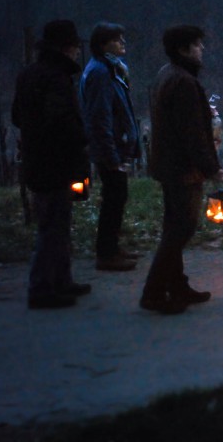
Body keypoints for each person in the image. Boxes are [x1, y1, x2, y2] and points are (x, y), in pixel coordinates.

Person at [141, 25, 223, 314]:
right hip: (182, 168)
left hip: (169, 164)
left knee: (174, 225)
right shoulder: (183, 82)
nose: (201, 49)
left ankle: (177, 284)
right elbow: (192, 132)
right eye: (196, 45)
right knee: (181, 228)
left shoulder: (167, 75)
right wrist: (210, 167)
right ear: (183, 49)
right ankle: (154, 292)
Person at [12, 20, 91, 309]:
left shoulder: (28, 75)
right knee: (53, 225)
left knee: (56, 223)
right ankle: (43, 288)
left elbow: (17, 117)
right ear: (67, 48)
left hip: (38, 160)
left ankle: (60, 280)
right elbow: (60, 122)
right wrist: (81, 137)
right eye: (74, 47)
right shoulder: (57, 79)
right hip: (56, 162)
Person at [79, 22, 140, 272]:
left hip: (114, 145)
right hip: (110, 147)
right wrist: (111, 154)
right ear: (103, 45)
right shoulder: (101, 73)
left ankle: (112, 247)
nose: (122, 43)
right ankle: (106, 253)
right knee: (114, 198)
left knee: (117, 197)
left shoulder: (109, 69)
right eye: (117, 40)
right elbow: (100, 116)